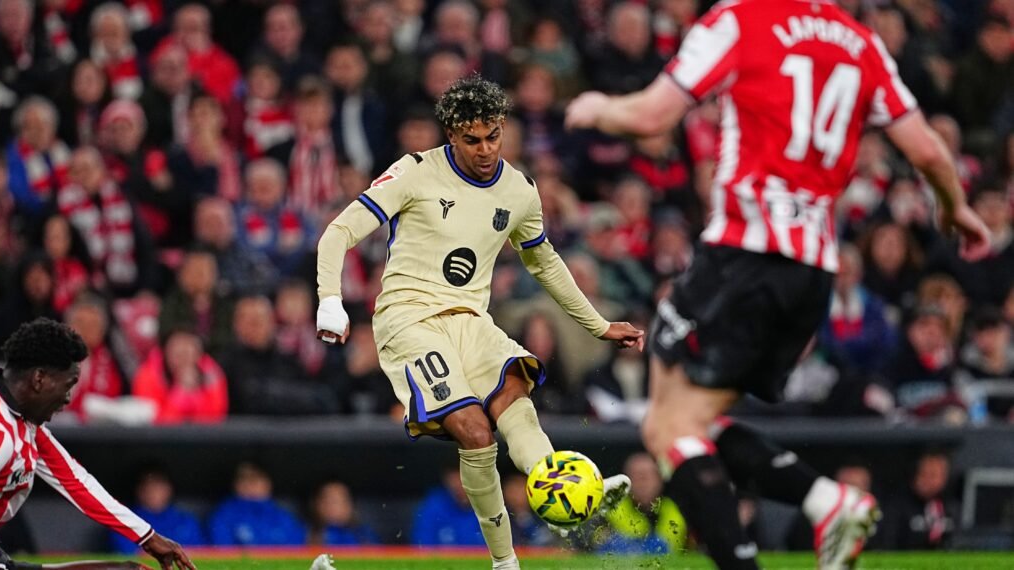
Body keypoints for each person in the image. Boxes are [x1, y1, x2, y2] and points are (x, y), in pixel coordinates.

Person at [564, 1, 991, 569]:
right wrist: (956, 208)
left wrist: (597, 107)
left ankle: (803, 519)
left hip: (745, 256)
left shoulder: (742, 20)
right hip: (812, 273)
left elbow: (651, 116)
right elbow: (928, 150)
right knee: (688, 423)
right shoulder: (861, 43)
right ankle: (826, 501)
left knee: (668, 428)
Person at [316, 75, 644, 570]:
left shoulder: (519, 190)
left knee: (514, 395)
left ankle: (561, 494)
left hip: (472, 320)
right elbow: (339, 231)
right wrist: (330, 300)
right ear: (451, 134)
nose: (486, 149)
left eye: (494, 136)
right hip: (410, 319)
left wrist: (598, 324)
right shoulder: (414, 171)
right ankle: (505, 561)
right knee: (474, 432)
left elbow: (545, 262)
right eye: (473, 140)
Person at [0, 318, 196, 570]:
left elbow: (74, 480)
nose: (68, 398)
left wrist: (147, 536)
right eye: (68, 385)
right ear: (39, 379)